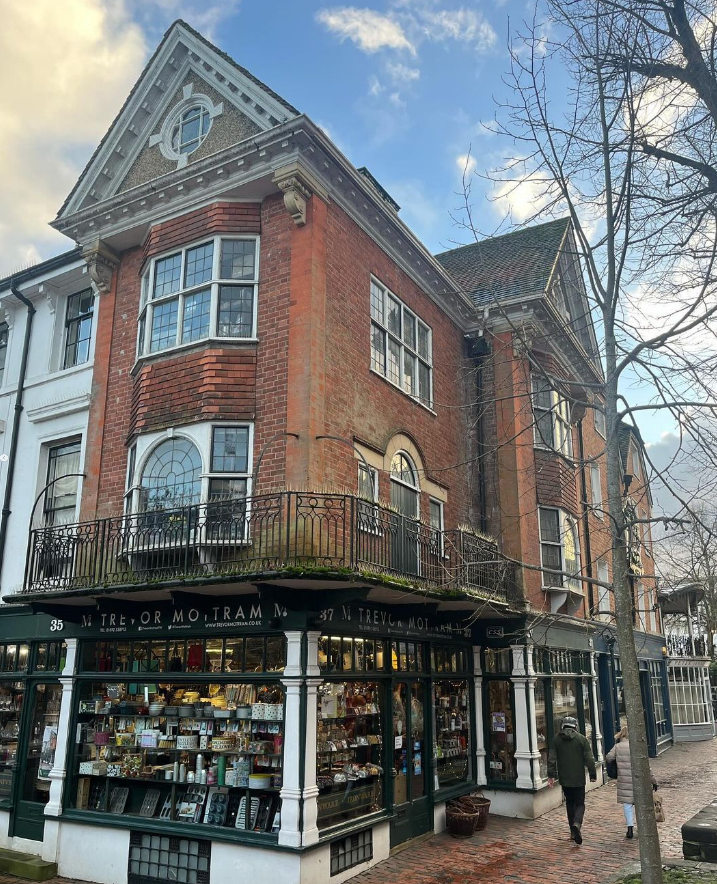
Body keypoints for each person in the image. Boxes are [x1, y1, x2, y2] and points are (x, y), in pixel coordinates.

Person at [547, 715, 597, 844]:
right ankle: (577, 823)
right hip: (578, 778)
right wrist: (592, 774)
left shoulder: (556, 740)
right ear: (575, 726)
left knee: (569, 803)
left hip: (565, 778)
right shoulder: (582, 739)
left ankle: (572, 832)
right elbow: (590, 759)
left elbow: (551, 759)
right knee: (580, 803)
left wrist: (551, 775)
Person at [605, 726, 657, 839]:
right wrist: (653, 781)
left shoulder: (618, 747)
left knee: (627, 804)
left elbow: (608, 757)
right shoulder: (637, 747)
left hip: (624, 779)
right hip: (639, 779)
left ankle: (630, 827)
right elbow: (646, 767)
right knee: (640, 804)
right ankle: (642, 827)